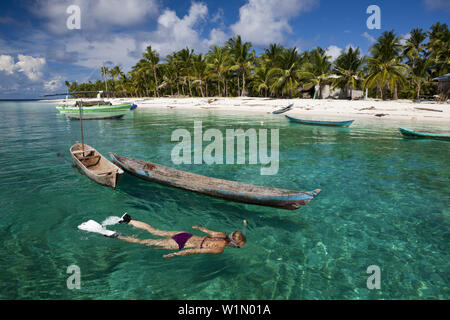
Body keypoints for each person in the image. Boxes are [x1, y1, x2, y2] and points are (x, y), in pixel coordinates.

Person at [109, 214, 246, 258]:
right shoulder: (219, 249)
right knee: (143, 242)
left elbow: (205, 230)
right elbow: (194, 250)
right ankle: (115, 235)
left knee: (154, 231)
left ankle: (128, 220)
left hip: (184, 235)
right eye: (238, 247)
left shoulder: (221, 235)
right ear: (234, 244)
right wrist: (175, 255)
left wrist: (198, 227)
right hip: (182, 244)